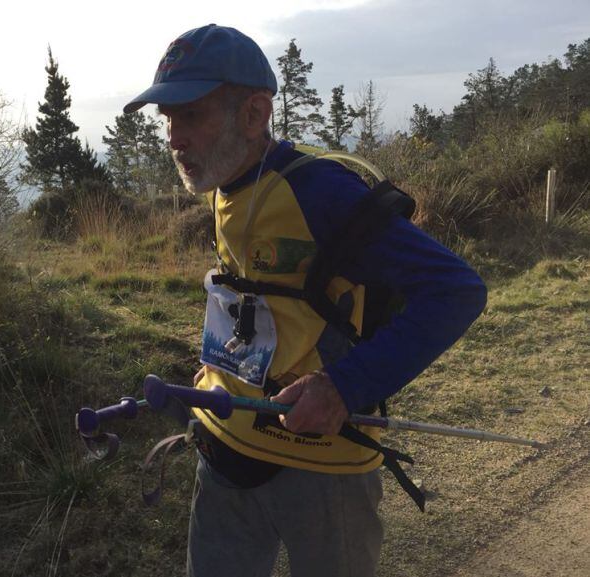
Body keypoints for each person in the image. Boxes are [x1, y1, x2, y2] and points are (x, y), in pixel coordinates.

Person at [124, 24, 487, 577]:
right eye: (168, 118)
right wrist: (209, 378)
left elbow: (456, 291)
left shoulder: (321, 191)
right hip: (225, 443)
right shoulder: (225, 182)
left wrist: (344, 386)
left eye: (191, 115)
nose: (174, 136)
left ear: (253, 114)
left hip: (322, 464)